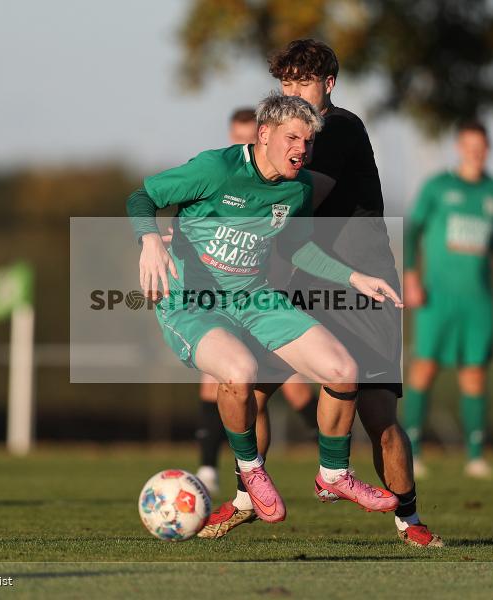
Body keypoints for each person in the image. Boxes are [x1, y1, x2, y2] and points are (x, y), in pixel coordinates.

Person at [200, 39, 442, 548]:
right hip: (302, 281)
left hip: (362, 282)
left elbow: (302, 197)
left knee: (379, 415)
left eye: (302, 82)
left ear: (328, 84)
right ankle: (248, 495)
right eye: (285, 83)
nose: (293, 91)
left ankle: (410, 519)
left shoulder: (339, 130)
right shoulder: (287, 132)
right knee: (247, 386)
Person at [127, 92, 403, 524]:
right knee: (240, 372)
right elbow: (142, 197)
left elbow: (295, 246)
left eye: (309, 142)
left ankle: (334, 473)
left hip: (255, 299)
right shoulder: (216, 168)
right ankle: (251, 471)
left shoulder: (298, 187)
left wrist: (353, 277)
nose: (302, 149)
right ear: (264, 134)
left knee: (343, 371)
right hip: (193, 304)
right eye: (293, 138)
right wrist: (147, 240)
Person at [403, 120, 493, 479]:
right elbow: (412, 231)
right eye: (469, 146)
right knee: (425, 367)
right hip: (437, 297)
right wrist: (411, 275)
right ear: (459, 147)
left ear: (488, 149)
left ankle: (475, 456)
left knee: (475, 373)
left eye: (481, 147)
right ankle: (412, 452)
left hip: (477, 299)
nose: (475, 153)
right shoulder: (437, 187)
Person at [195, 107, 318, 495]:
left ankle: (329, 459)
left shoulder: (287, 188)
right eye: (235, 137)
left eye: (245, 136)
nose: (240, 144)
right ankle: (215, 470)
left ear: (262, 136)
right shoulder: (222, 174)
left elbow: (294, 244)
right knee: (223, 382)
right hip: (218, 302)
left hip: (264, 300)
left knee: (291, 388)